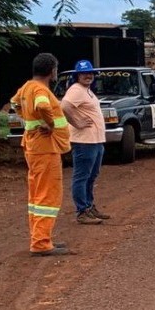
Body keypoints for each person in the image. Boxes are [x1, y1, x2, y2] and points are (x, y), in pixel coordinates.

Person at [10, 53, 72, 256]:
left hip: (34, 147)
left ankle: (40, 238)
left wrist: (30, 121)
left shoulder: (27, 87)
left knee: (37, 196)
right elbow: (43, 105)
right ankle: (41, 243)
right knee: (48, 194)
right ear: (52, 70)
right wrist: (50, 123)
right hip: (45, 148)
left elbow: (14, 103)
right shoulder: (39, 89)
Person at [61, 59, 109, 225]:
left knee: (91, 176)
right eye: (84, 73)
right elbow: (64, 106)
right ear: (77, 76)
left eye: (90, 73)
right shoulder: (76, 90)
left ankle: (89, 206)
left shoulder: (87, 90)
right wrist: (76, 122)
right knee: (81, 177)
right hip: (84, 142)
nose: (88, 76)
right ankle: (82, 211)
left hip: (95, 141)